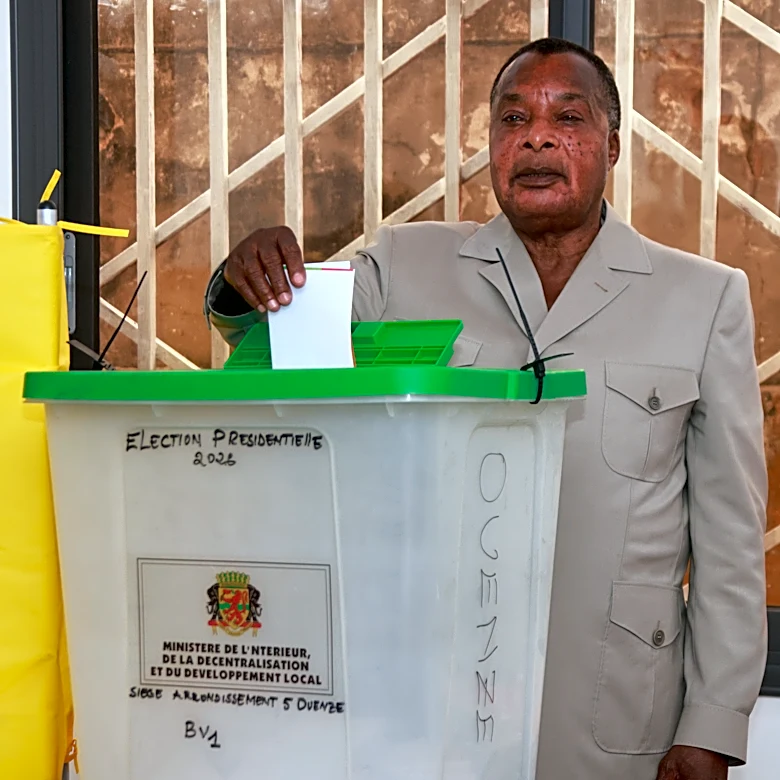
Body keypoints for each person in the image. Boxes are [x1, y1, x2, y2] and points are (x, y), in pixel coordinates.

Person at [203, 38, 768, 780]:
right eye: (511, 118)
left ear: (612, 144)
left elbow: (730, 542)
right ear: (490, 147)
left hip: (618, 707)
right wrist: (245, 286)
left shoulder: (703, 297)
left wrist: (713, 727)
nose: (536, 135)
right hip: (426, 712)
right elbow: (276, 347)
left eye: (568, 116)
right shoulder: (406, 266)